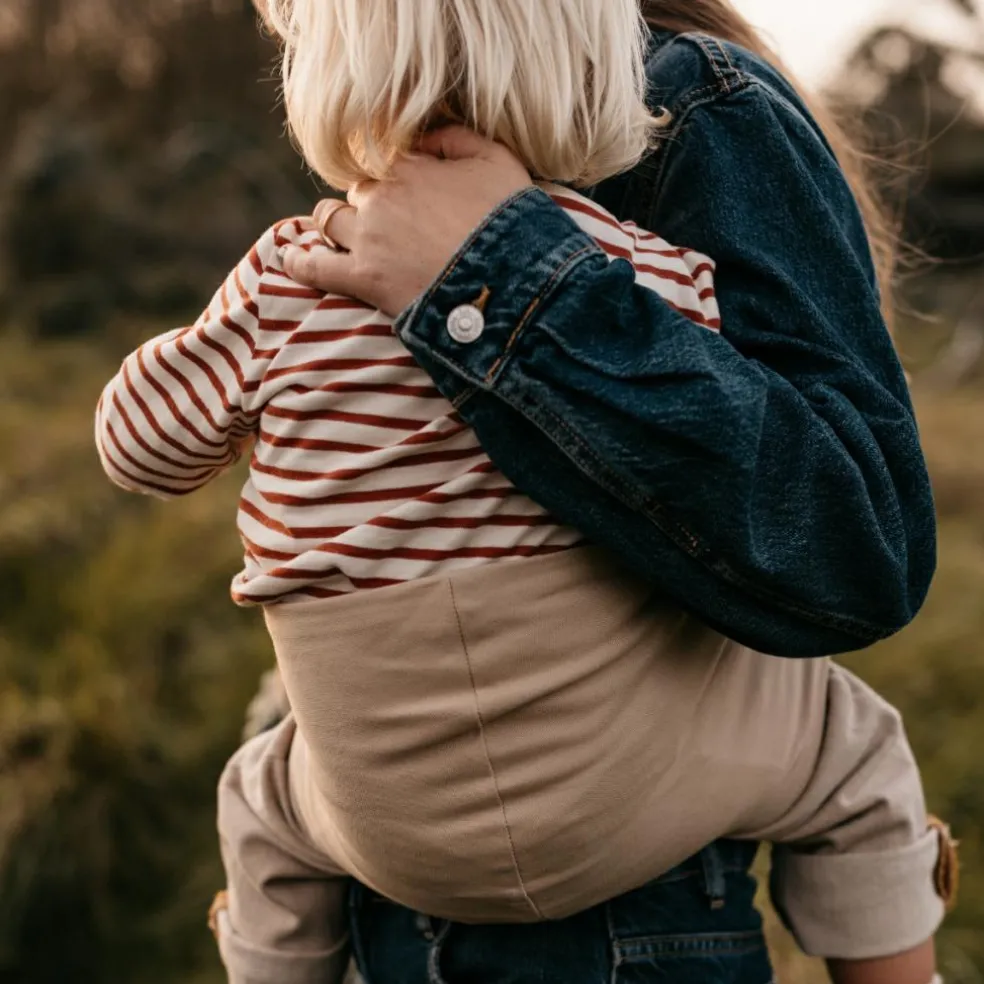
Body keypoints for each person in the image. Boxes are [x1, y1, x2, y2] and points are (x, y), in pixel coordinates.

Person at [95, 2, 954, 983]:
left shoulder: (294, 267)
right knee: (852, 743)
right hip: (630, 836)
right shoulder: (656, 273)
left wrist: (474, 278)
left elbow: (140, 449)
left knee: (261, 784)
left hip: (406, 852)